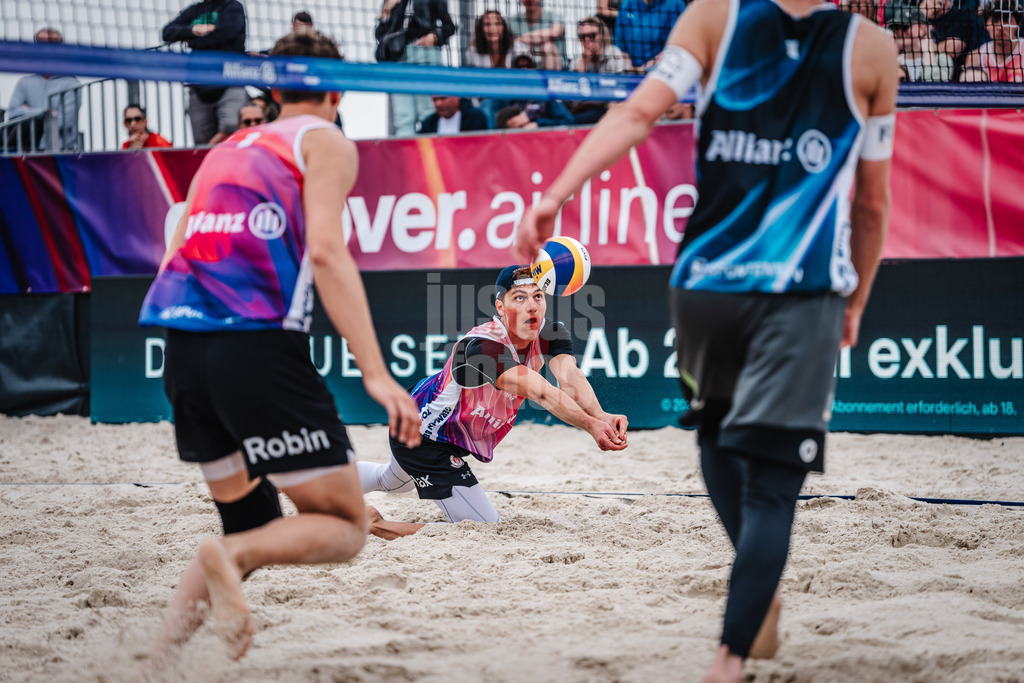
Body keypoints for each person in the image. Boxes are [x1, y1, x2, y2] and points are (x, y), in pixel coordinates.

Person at [516, 0, 899, 680]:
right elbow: (872, 203)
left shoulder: (713, 16)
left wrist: (555, 195)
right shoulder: (872, 50)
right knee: (775, 486)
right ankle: (729, 657)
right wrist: (858, 297)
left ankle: (757, 594)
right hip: (800, 289)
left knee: (716, 439)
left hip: (705, 289)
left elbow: (636, 114)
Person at [137, 29, 422, 663]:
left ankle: (154, 661)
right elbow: (325, 250)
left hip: (182, 353)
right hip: (256, 350)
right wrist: (376, 374)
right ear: (337, 89)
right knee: (347, 528)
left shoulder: (228, 146)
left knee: (247, 524)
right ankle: (226, 559)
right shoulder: (326, 141)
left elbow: (176, 244)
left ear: (272, 86)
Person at [358, 265, 628, 539]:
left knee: (390, 482)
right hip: (423, 439)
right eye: (519, 298)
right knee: (481, 531)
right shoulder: (482, 347)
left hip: (426, 421)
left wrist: (600, 415)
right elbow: (542, 393)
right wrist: (590, 425)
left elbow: (569, 377)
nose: (532, 306)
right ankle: (373, 524)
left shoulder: (550, 332)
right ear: (500, 307)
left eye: (538, 296)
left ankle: (322, 480)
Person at [161, 0, 249, 145]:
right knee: (201, 140)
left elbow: (226, 33)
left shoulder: (232, 6)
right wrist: (194, 30)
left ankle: (214, 154)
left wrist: (193, 42)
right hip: (200, 84)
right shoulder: (195, 10)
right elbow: (167, 32)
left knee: (231, 129)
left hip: (230, 79)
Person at [376, 0, 457, 137]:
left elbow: (449, 27)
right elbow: (380, 35)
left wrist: (434, 37)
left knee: (428, 112)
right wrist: (386, 12)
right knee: (403, 117)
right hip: (399, 56)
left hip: (425, 53)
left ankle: (431, 155)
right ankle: (407, 156)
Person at [5, 28, 81, 152]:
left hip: (59, 154)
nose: (47, 47)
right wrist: (46, 112)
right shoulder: (24, 82)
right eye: (41, 42)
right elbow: (13, 113)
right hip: (26, 154)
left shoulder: (72, 84)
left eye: (53, 42)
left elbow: (62, 122)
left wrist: (27, 110)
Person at [569, 16, 630, 124]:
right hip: (585, 112)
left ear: (602, 36)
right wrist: (582, 70)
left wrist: (594, 98)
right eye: (583, 36)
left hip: (612, 109)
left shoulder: (613, 53)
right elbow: (576, 102)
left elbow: (620, 89)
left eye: (592, 35)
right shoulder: (576, 63)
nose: (587, 40)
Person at [886, 2, 954, 81]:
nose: (900, 32)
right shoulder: (896, 61)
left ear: (922, 28)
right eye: (896, 28)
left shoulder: (942, 59)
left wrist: (928, 54)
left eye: (905, 27)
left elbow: (936, 88)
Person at [960, 0, 1023, 82]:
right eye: (994, 21)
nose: (1000, 27)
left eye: (1006, 21)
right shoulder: (975, 57)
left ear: (1017, 24)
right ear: (985, 25)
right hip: (985, 95)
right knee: (969, 76)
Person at [615, 0, 687, 71]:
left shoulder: (676, 4)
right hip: (630, 71)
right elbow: (620, 44)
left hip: (663, 70)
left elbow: (677, 46)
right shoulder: (626, 4)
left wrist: (645, 69)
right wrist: (630, 69)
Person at [508, 0, 567, 69]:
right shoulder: (512, 20)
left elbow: (554, 33)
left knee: (547, 46)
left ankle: (551, 78)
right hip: (525, 67)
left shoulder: (554, 16)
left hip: (556, 68)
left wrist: (520, 39)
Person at [464, 9, 531, 68]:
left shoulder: (518, 47)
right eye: (487, 24)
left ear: (504, 27)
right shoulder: (472, 51)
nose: (492, 28)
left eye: (497, 24)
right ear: (481, 29)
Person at [418, 95, 489, 134]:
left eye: (443, 98)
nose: (438, 104)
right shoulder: (428, 124)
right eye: (434, 100)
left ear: (456, 97)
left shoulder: (475, 118)